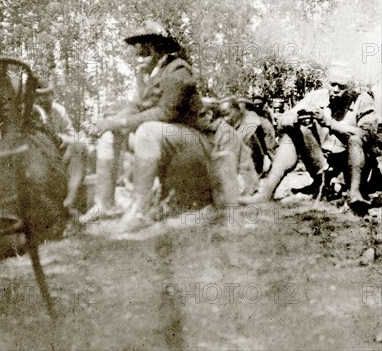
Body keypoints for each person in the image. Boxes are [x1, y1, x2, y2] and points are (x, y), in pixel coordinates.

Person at [80, 21, 235, 232]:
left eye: (145, 47)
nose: (139, 53)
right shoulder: (146, 75)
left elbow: (165, 113)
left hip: (197, 142)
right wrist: (108, 124)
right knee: (109, 135)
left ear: (159, 48)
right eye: (137, 47)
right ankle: (104, 205)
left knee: (146, 131)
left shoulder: (179, 71)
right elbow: (134, 107)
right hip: (170, 139)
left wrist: (117, 122)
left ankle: (140, 212)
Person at [239, 62, 380, 214]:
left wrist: (329, 123)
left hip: (354, 168)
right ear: (327, 82)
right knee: (293, 133)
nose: (336, 90)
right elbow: (282, 120)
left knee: (355, 139)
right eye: (333, 84)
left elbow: (368, 135)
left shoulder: (362, 100)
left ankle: (355, 194)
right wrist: (296, 118)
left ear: (352, 86)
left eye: (342, 86)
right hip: (322, 165)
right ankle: (267, 191)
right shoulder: (316, 97)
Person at [34, 82, 88, 214]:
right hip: (38, 158)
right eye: (39, 96)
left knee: (79, 147)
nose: (44, 99)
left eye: (47, 95)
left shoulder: (59, 110)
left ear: (52, 95)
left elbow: (73, 136)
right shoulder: (28, 111)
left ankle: (69, 203)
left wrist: (60, 138)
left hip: (59, 156)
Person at [218, 96, 268, 176]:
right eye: (222, 116)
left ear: (236, 109)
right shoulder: (227, 127)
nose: (225, 119)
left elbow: (257, 159)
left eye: (227, 114)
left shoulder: (250, 126)